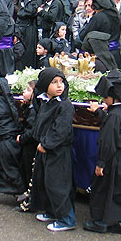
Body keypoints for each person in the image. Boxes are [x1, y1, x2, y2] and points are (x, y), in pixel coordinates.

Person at [83, 73, 121, 235]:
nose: (102, 100)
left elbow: (108, 141)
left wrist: (101, 163)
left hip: (112, 160)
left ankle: (100, 222)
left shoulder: (114, 115)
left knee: (103, 191)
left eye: (105, 97)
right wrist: (100, 113)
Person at [28, 68, 76, 232]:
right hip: (45, 149)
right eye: (54, 82)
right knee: (47, 183)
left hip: (58, 151)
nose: (59, 86)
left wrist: (46, 143)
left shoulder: (64, 105)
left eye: (61, 82)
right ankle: (52, 211)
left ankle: (67, 218)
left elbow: (60, 130)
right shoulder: (45, 101)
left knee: (58, 184)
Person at [79, 0, 121, 69]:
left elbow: (83, 35)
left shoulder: (99, 17)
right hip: (116, 53)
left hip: (102, 55)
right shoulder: (116, 15)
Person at [14, 0, 38, 68]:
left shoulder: (33, 3)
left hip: (30, 30)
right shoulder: (20, 3)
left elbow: (30, 12)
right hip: (21, 30)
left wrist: (27, 1)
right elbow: (20, 14)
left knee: (29, 51)